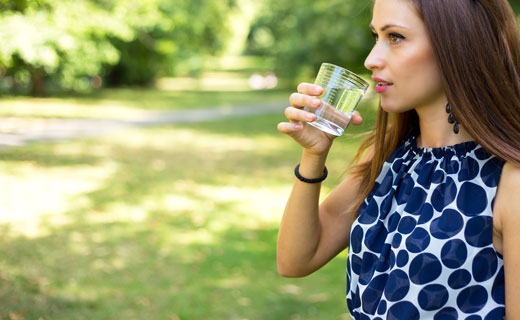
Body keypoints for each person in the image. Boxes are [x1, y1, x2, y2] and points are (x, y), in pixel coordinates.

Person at [276, 0, 520, 318]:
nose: (371, 59)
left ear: (458, 44)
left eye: (395, 37)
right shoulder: (390, 157)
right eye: (375, 36)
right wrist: (313, 155)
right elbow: (295, 260)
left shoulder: (508, 182)